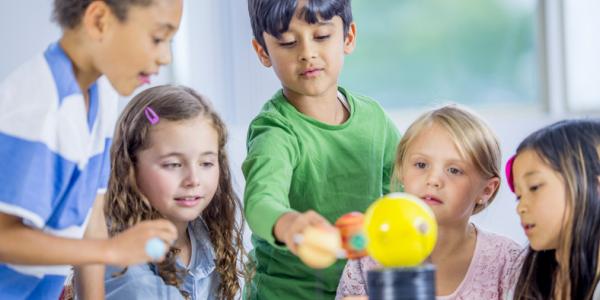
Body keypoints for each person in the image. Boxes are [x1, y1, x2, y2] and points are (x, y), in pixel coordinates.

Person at [0, 1, 183, 298]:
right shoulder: (37, 103)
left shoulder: (103, 93)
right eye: (158, 38)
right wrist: (112, 250)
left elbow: (92, 221)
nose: (165, 57)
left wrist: (103, 251)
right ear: (99, 20)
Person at [243, 0, 401, 298]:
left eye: (322, 36)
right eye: (288, 42)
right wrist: (290, 226)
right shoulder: (276, 131)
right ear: (263, 52)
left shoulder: (374, 119)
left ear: (348, 37)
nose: (307, 53)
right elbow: (260, 202)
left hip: (357, 290)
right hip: (284, 293)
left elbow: (405, 191)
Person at [337, 105, 522, 299]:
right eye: (421, 165)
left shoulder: (508, 261)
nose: (433, 179)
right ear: (401, 171)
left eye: (454, 170)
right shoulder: (369, 256)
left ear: (486, 190)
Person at [103, 85, 247, 300]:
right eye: (172, 164)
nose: (193, 180)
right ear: (129, 167)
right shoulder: (121, 259)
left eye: (206, 163)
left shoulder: (208, 237)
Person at [506, 119, 600, 300]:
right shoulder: (526, 280)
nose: (520, 208)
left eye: (534, 187)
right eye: (519, 196)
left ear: (595, 187)